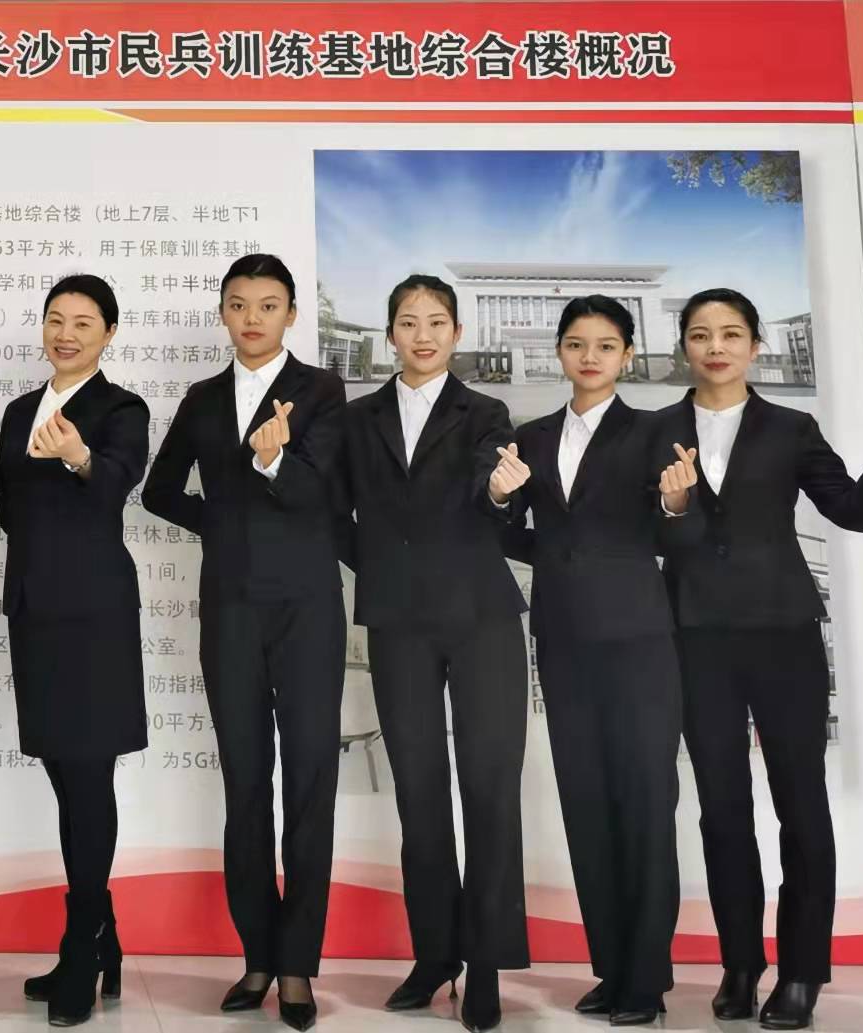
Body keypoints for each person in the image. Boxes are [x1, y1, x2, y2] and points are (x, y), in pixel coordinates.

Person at [661, 288, 863, 1031]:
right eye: (700, 334)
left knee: (801, 806)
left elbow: (852, 510)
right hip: (694, 637)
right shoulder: (653, 430)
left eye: (731, 333)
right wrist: (671, 507)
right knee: (721, 809)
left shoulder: (790, 428)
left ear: (754, 345)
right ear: (683, 345)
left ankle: (800, 973)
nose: (715, 346)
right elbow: (639, 531)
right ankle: (739, 963)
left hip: (783, 635)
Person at [143, 254, 346, 1032]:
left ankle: (296, 963)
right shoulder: (201, 398)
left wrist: (272, 459)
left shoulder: (321, 391)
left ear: (291, 313)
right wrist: (221, 524)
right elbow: (160, 490)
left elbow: (321, 492)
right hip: (228, 605)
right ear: (222, 313)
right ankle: (257, 953)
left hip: (306, 605)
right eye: (238, 304)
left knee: (309, 779)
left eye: (267, 304)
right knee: (245, 782)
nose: (252, 317)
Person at [497, 296, 702, 1027]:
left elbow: (678, 536)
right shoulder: (530, 436)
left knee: (644, 803)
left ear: (626, 355)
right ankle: (611, 968)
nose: (590, 357)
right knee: (585, 802)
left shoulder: (655, 432)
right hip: (562, 638)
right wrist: (499, 500)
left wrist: (676, 507)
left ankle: (645, 977)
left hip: (638, 638)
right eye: (577, 344)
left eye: (606, 345)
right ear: (559, 350)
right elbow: (511, 533)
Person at [341, 274, 528, 1032]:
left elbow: (492, 488)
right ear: (389, 332)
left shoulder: (485, 412)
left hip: (481, 617)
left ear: (456, 332)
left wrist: (502, 493)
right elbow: (334, 514)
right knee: (418, 794)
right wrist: (381, 566)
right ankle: (433, 955)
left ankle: (484, 963)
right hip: (397, 621)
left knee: (488, 790)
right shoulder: (356, 420)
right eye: (409, 322)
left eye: (437, 321)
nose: (422, 335)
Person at [0, 275, 150, 1027]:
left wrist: (78, 457)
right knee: (64, 775)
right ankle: (100, 934)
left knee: (89, 777)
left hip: (93, 616)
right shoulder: (18, 410)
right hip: (35, 611)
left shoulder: (122, 409)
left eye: (84, 322)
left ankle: (82, 947)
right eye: (55, 319)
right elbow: (7, 507)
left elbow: (116, 481)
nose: (66, 333)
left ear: (108, 333)